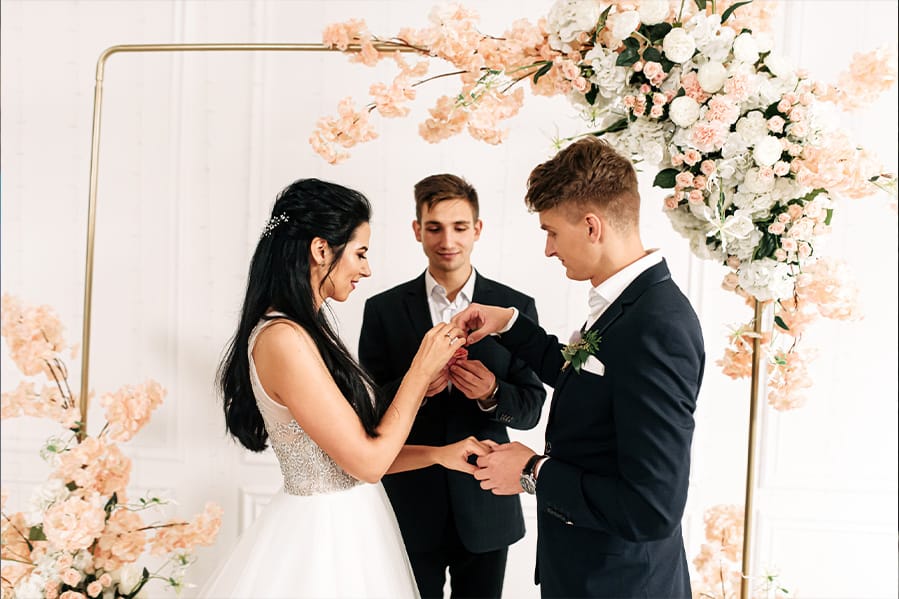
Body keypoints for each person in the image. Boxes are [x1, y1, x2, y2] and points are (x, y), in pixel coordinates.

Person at [201, 178, 485, 599]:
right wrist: (419, 373)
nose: (366, 269)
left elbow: (353, 457)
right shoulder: (282, 338)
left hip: (353, 521)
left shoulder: (306, 332)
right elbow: (367, 464)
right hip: (321, 538)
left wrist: (439, 455)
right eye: (361, 253)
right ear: (321, 250)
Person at [450, 138, 705, 598]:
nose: (549, 250)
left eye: (552, 232)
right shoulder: (626, 303)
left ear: (591, 226)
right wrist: (508, 323)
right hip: (586, 574)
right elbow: (586, 385)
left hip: (622, 584)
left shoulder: (657, 325)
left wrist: (532, 471)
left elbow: (653, 508)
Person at [359, 174, 546, 599]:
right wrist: (416, 386)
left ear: (477, 230)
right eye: (435, 227)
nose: (448, 240)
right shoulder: (382, 310)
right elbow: (366, 408)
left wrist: (491, 394)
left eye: (460, 227)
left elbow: (533, 406)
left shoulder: (515, 308)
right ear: (417, 230)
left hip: (487, 502)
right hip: (409, 502)